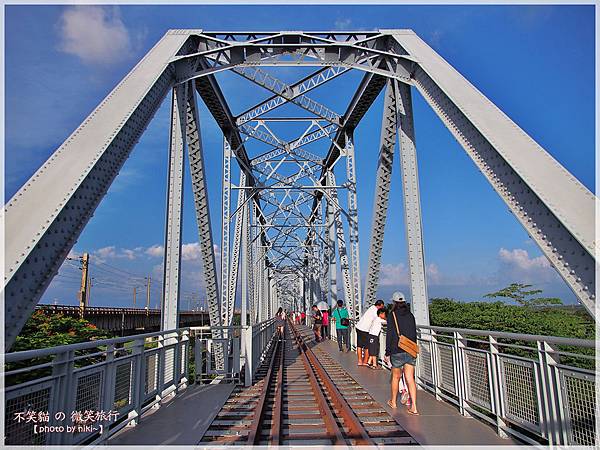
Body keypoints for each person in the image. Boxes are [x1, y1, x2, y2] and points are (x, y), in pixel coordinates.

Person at [384, 292, 419, 415]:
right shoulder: (411, 315)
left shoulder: (391, 315)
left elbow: (390, 335)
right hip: (410, 350)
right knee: (410, 378)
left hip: (397, 350)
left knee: (396, 377)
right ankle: (414, 407)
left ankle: (393, 401)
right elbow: (414, 334)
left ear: (393, 302)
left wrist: (387, 352)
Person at [355, 299, 385, 366]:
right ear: (379, 306)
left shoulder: (371, 308)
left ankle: (360, 361)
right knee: (367, 346)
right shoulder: (375, 311)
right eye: (382, 307)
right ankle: (365, 361)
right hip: (365, 330)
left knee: (359, 345)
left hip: (359, 327)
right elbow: (380, 318)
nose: (382, 308)